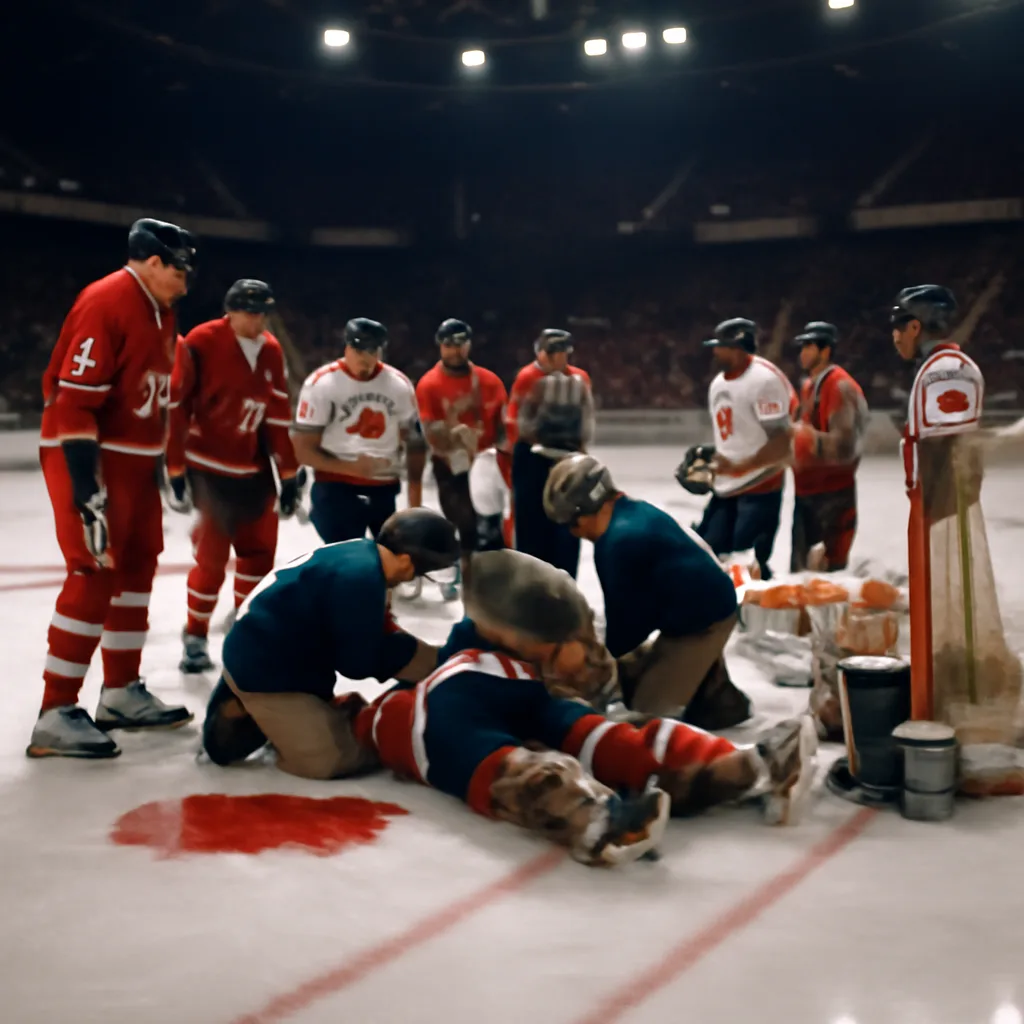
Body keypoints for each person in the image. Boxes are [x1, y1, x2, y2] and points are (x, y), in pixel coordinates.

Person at [350, 550, 818, 867]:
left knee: (605, 733)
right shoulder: (442, 694)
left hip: (516, 695)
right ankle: (592, 821)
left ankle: (740, 767)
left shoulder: (512, 659)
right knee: (515, 766)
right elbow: (485, 760)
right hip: (454, 713)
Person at [28, 218, 197, 760]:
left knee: (137, 566)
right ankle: (56, 710)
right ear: (152, 262)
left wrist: (162, 467)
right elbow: (74, 402)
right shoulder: (107, 301)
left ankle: (120, 691)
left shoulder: (161, 311)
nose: (186, 281)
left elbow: (149, 403)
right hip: (92, 458)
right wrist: (85, 486)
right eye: (179, 268)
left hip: (133, 463)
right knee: (93, 569)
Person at [200, 508, 459, 780]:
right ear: (407, 564)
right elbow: (358, 663)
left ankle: (286, 713)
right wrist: (410, 658)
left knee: (423, 661)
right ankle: (260, 711)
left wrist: (423, 659)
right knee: (331, 759)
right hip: (267, 674)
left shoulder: (361, 553)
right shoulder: (362, 578)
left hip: (266, 652)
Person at [543, 453, 751, 729]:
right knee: (634, 673)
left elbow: (625, 632)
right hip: (692, 609)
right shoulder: (630, 511)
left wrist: (598, 674)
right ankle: (706, 681)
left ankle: (717, 694)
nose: (573, 533)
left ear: (585, 512)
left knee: (645, 720)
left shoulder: (618, 544)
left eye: (572, 523)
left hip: (705, 622)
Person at [166, 279, 302, 673]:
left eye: (263, 312)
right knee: (210, 559)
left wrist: (289, 473)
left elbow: (277, 415)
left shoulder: (271, 350)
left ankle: (246, 630)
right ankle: (194, 634)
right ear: (232, 311)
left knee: (259, 556)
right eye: (251, 311)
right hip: (210, 467)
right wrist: (175, 467)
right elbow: (178, 407)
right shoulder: (202, 342)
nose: (258, 319)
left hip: (254, 469)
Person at [890, 285, 990, 722]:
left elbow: (941, 451)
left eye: (898, 327)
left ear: (915, 325)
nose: (894, 337)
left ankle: (934, 709)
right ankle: (943, 699)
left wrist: (930, 511)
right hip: (947, 504)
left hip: (938, 507)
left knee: (937, 610)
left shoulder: (940, 371)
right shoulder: (952, 365)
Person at [290, 318, 426, 544]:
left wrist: (415, 500)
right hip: (336, 486)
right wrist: (351, 467)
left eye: (372, 351)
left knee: (389, 564)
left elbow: (415, 443)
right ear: (347, 347)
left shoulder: (399, 385)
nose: (365, 358)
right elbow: (302, 449)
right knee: (346, 560)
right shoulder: (322, 384)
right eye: (358, 349)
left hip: (384, 487)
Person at [695, 317, 797, 580]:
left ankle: (756, 616)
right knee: (709, 551)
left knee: (748, 562)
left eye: (722, 346)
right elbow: (732, 434)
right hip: (727, 485)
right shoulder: (718, 383)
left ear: (738, 349)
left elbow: (782, 443)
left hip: (760, 485)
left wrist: (741, 466)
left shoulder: (764, 381)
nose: (715, 352)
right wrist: (713, 459)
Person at [415, 318, 508, 597]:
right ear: (440, 346)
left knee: (491, 526)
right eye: (448, 346)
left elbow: (504, 426)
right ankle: (466, 579)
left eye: (460, 345)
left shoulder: (490, 382)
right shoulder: (429, 385)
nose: (455, 351)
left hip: (488, 462)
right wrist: (452, 441)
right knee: (465, 524)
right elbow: (430, 433)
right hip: (450, 466)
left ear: (469, 345)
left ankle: (491, 578)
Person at [506, 328, 595, 578]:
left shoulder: (580, 379)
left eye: (563, 354)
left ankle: (565, 580)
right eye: (554, 353)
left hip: (567, 456)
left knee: (566, 523)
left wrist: (580, 450)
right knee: (531, 524)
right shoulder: (527, 378)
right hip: (533, 457)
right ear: (542, 354)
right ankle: (533, 581)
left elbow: (587, 418)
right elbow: (515, 421)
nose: (559, 359)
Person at [789, 322, 868, 572]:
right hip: (808, 493)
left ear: (825, 351)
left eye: (809, 346)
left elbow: (844, 448)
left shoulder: (839, 386)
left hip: (832, 496)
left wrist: (803, 437)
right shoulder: (809, 385)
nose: (802, 352)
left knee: (827, 578)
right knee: (799, 576)